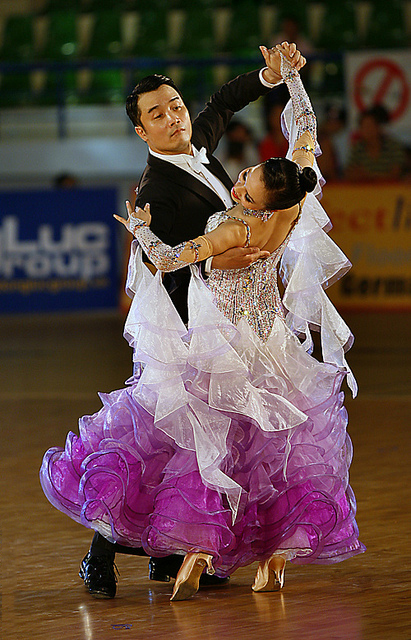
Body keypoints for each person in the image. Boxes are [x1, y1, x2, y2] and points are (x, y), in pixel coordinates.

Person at [41, 45, 365, 602]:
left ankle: (183, 549)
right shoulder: (157, 190)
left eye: (175, 105)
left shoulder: (202, 144)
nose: (174, 117)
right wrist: (208, 266)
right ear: (142, 132)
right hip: (197, 331)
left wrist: (271, 75)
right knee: (161, 442)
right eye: (158, 115)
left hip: (248, 331)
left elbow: (226, 100)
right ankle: (103, 550)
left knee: (220, 448)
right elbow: (161, 266)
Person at [344, 105, 407, 182]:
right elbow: (350, 174)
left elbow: (396, 174)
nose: (367, 130)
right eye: (364, 126)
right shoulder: (358, 148)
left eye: (370, 126)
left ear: (378, 127)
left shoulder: (393, 147)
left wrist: (368, 176)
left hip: (391, 192)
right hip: (364, 192)